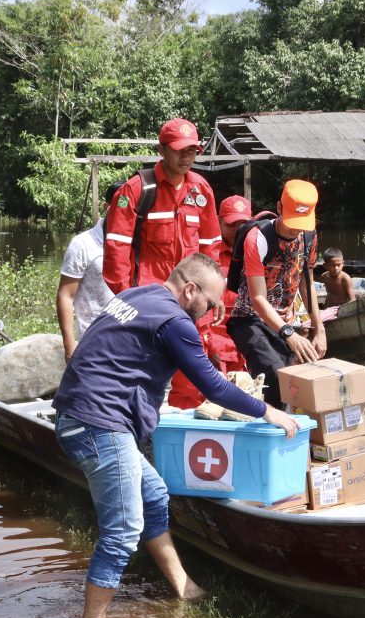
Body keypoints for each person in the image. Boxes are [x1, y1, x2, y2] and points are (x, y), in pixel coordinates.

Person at [52, 253, 299, 618]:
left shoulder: (138, 296)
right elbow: (213, 386)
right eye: (211, 305)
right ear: (189, 290)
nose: (212, 314)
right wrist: (268, 411)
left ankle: (185, 586)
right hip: (98, 423)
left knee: (153, 496)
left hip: (79, 414)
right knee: (122, 531)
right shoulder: (175, 320)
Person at [226, 180, 326, 407]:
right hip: (250, 320)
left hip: (285, 323)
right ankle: (270, 435)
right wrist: (289, 334)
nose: (296, 228)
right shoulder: (258, 238)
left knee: (291, 382)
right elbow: (258, 298)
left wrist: (319, 329)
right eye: (292, 221)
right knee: (275, 374)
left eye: (301, 223)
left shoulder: (308, 237)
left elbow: (307, 282)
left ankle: (287, 432)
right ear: (279, 208)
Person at [102, 118, 221, 294]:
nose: (185, 157)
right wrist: (126, 295)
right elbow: (116, 249)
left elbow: (210, 246)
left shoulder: (201, 190)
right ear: (161, 150)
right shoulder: (135, 190)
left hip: (190, 295)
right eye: (178, 150)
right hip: (149, 294)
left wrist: (214, 293)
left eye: (191, 151)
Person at [167, 194, 255, 409]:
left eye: (244, 224)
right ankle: (179, 437)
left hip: (244, 341)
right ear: (218, 221)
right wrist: (209, 344)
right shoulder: (204, 256)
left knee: (242, 396)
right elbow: (191, 303)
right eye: (232, 224)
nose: (238, 230)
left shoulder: (256, 252)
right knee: (191, 392)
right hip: (207, 337)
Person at [56, 180, 123, 363]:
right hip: (93, 342)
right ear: (106, 207)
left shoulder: (140, 244)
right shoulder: (83, 244)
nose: (124, 214)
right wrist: (69, 346)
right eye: (119, 206)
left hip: (129, 342)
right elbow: (65, 295)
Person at [319, 246, 356, 318]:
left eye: (338, 265)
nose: (336, 268)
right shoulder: (324, 276)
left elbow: (352, 299)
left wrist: (346, 312)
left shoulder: (345, 278)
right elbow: (329, 294)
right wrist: (325, 308)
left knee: (306, 327)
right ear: (325, 266)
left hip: (342, 310)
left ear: (343, 264)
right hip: (329, 309)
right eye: (332, 265)